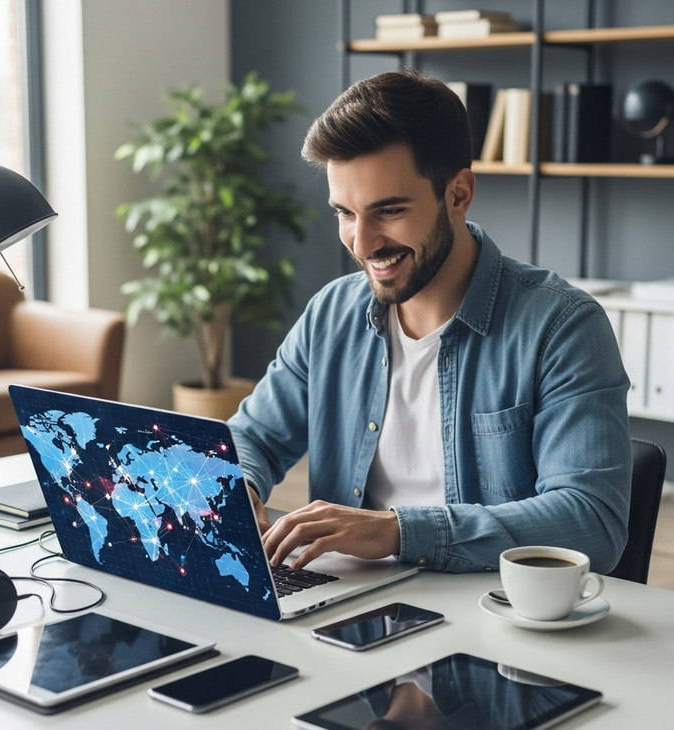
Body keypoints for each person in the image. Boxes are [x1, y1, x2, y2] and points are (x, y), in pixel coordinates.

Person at [228, 68, 631, 575]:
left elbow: (593, 521)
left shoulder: (562, 327)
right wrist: (239, 486)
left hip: (487, 619)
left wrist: (396, 530)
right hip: (347, 612)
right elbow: (252, 437)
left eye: (388, 211)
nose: (362, 242)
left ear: (459, 194)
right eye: (344, 213)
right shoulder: (331, 315)